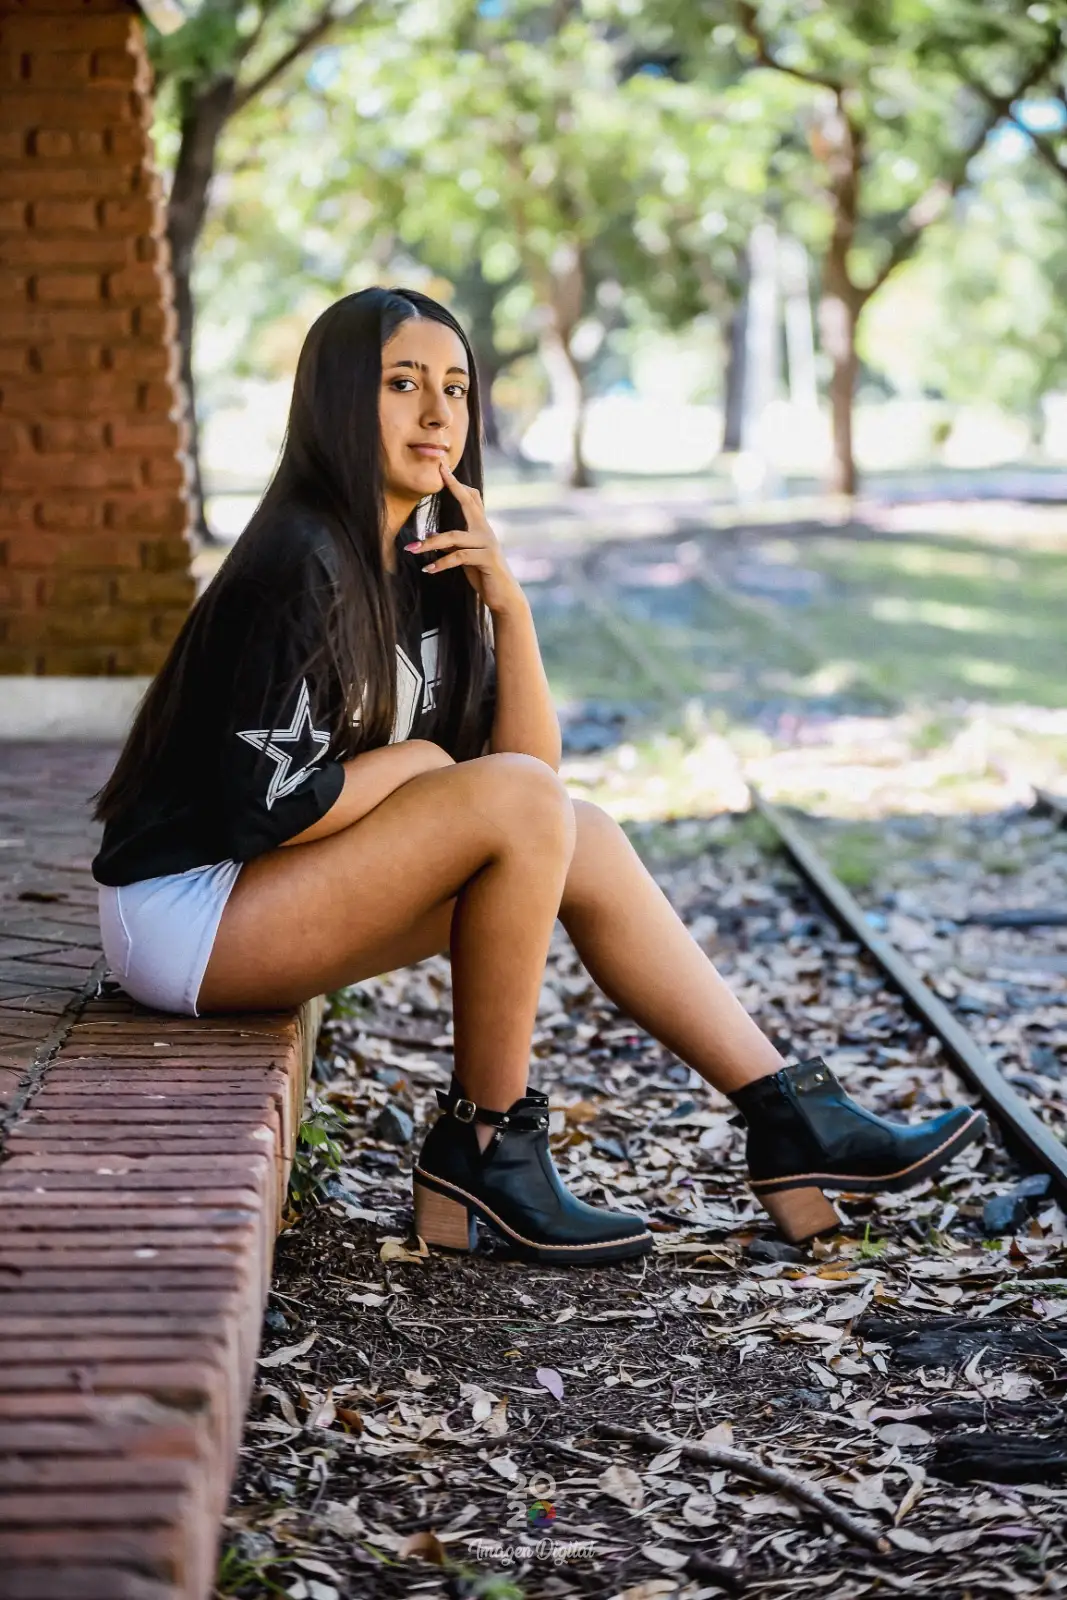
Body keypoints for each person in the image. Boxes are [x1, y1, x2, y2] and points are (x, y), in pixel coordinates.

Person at [90, 286, 986, 1263]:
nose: (437, 414)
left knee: (579, 830)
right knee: (523, 804)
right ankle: (486, 1145)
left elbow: (534, 788)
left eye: (455, 388)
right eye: (402, 384)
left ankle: (786, 1117)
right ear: (339, 400)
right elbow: (263, 809)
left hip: (272, 889)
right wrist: (415, 761)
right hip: (187, 911)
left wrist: (507, 608)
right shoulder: (300, 561)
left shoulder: (425, 560)